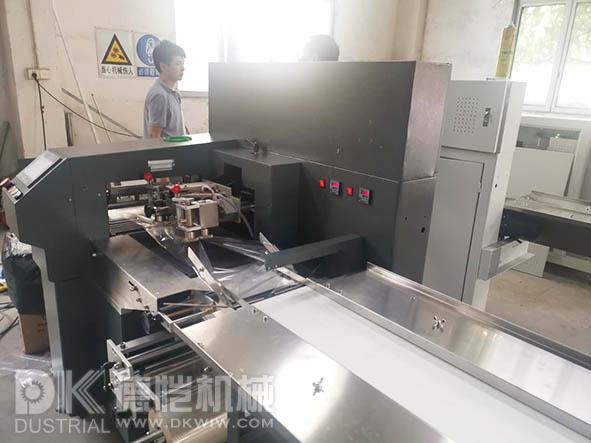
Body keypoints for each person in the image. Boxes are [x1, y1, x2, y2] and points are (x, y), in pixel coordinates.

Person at [144, 40, 186, 138]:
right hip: (167, 149)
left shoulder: (173, 93)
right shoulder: (160, 95)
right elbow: (154, 136)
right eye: (178, 63)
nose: (183, 68)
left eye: (183, 63)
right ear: (163, 66)